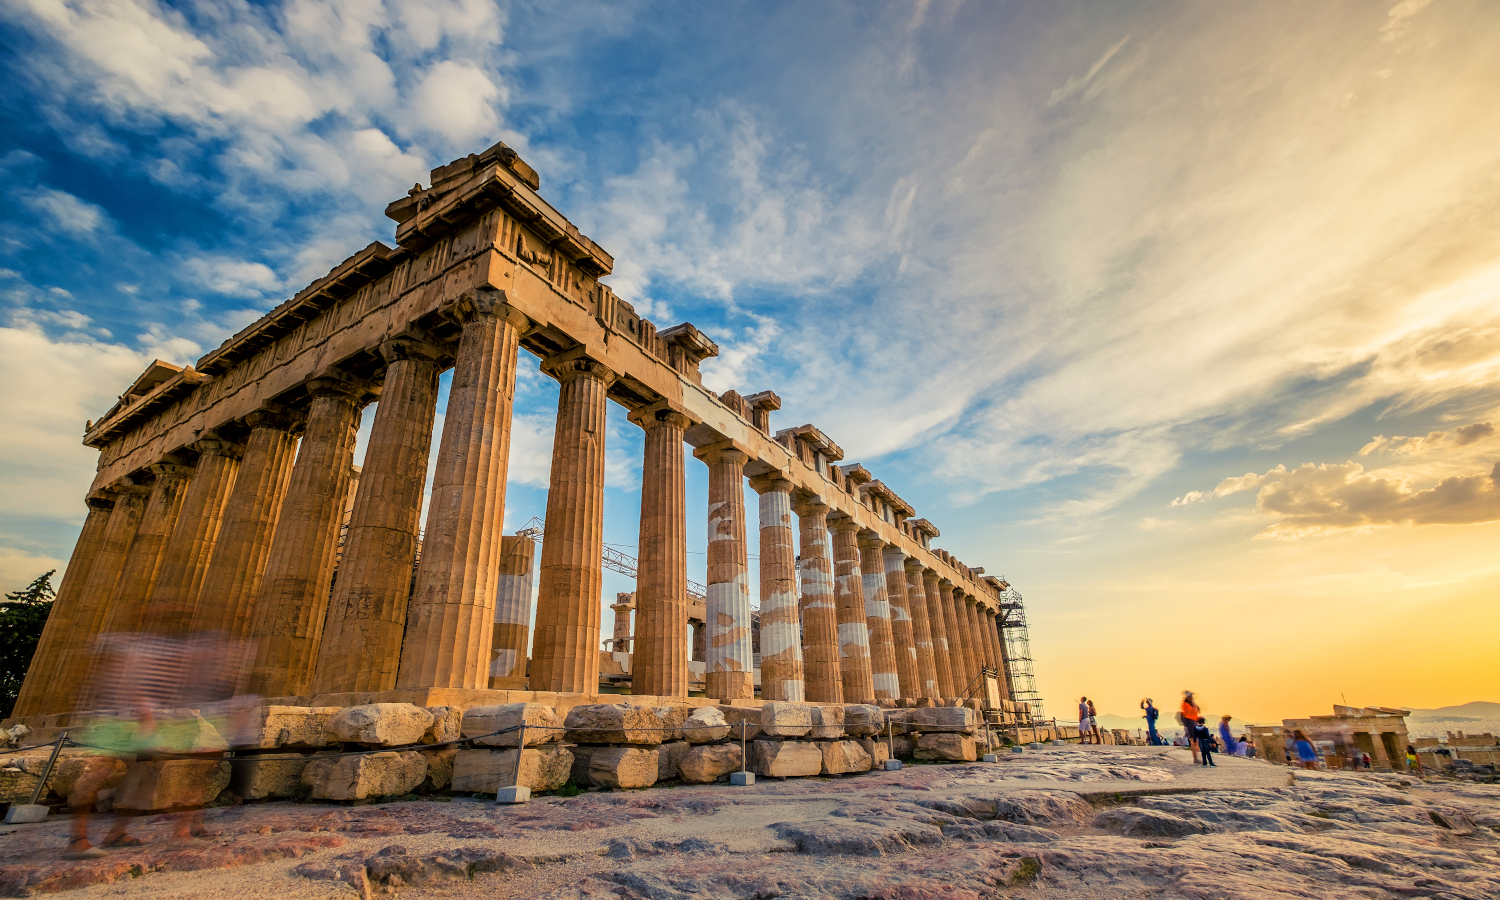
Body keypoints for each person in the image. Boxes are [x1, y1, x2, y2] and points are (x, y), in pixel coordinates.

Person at [1180, 691, 1202, 763]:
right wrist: (1195, 707)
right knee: (1193, 741)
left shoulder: (1192, 704)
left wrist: (1195, 706)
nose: (1192, 697)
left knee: (1196, 741)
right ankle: (1195, 759)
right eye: (1190, 696)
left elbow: (1198, 711)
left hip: (1194, 722)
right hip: (1189, 722)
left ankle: (1198, 757)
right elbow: (1192, 711)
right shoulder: (1185, 704)